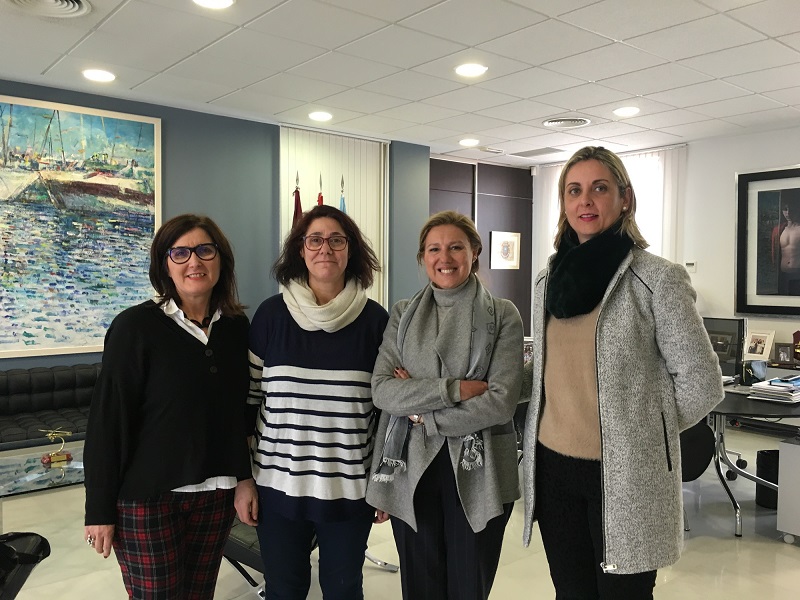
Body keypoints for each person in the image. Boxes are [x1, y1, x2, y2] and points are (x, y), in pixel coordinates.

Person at [521, 146, 724, 599]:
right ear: (564, 203)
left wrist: (641, 433)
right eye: (574, 190)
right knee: (571, 593)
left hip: (626, 476)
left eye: (599, 188)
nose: (585, 200)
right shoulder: (547, 280)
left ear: (624, 198)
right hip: (553, 471)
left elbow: (702, 383)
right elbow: (549, 369)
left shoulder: (657, 279)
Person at [83, 214, 256, 599]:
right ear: (165, 264)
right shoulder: (134, 328)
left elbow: (241, 415)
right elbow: (108, 422)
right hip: (148, 500)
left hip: (216, 496)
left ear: (221, 260)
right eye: (180, 253)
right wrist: (99, 510)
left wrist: (244, 479)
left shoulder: (236, 328)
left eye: (205, 250)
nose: (194, 261)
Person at [367, 210, 523, 600]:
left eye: (456, 247)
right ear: (423, 257)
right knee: (420, 586)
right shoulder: (402, 314)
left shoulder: (503, 315)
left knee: (469, 585)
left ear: (475, 252)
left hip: (480, 470)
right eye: (434, 249)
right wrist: (454, 389)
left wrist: (422, 414)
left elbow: (500, 403)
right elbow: (383, 391)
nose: (445, 258)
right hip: (411, 469)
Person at [247, 204, 388, 599]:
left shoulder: (376, 323)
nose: (325, 248)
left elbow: (387, 415)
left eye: (336, 240)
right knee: (284, 590)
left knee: (344, 591)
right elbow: (248, 402)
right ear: (300, 250)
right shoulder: (270, 317)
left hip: (350, 490)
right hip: (276, 487)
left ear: (351, 250)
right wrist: (243, 481)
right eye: (315, 240)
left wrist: (385, 484)